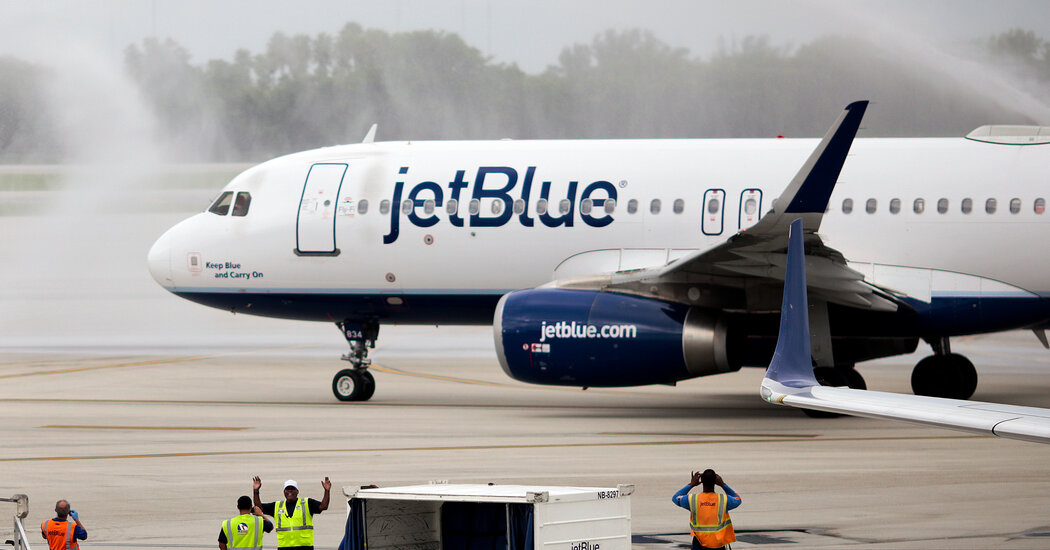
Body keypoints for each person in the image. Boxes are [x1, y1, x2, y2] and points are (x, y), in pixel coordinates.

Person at [253, 476, 331, 550]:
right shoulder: (277, 506)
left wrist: (327, 491)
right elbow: (259, 507)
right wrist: (256, 491)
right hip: (284, 547)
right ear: (284, 492)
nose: (290, 491)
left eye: (292, 489)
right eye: (287, 489)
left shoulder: (307, 503)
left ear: (297, 491)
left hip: (304, 547)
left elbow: (323, 506)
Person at [672, 469, 740, 550]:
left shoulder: (693, 499)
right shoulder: (723, 499)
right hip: (718, 544)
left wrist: (691, 484)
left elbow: (675, 498)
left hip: (699, 543)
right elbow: (737, 499)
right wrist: (723, 484)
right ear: (715, 481)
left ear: (702, 481)